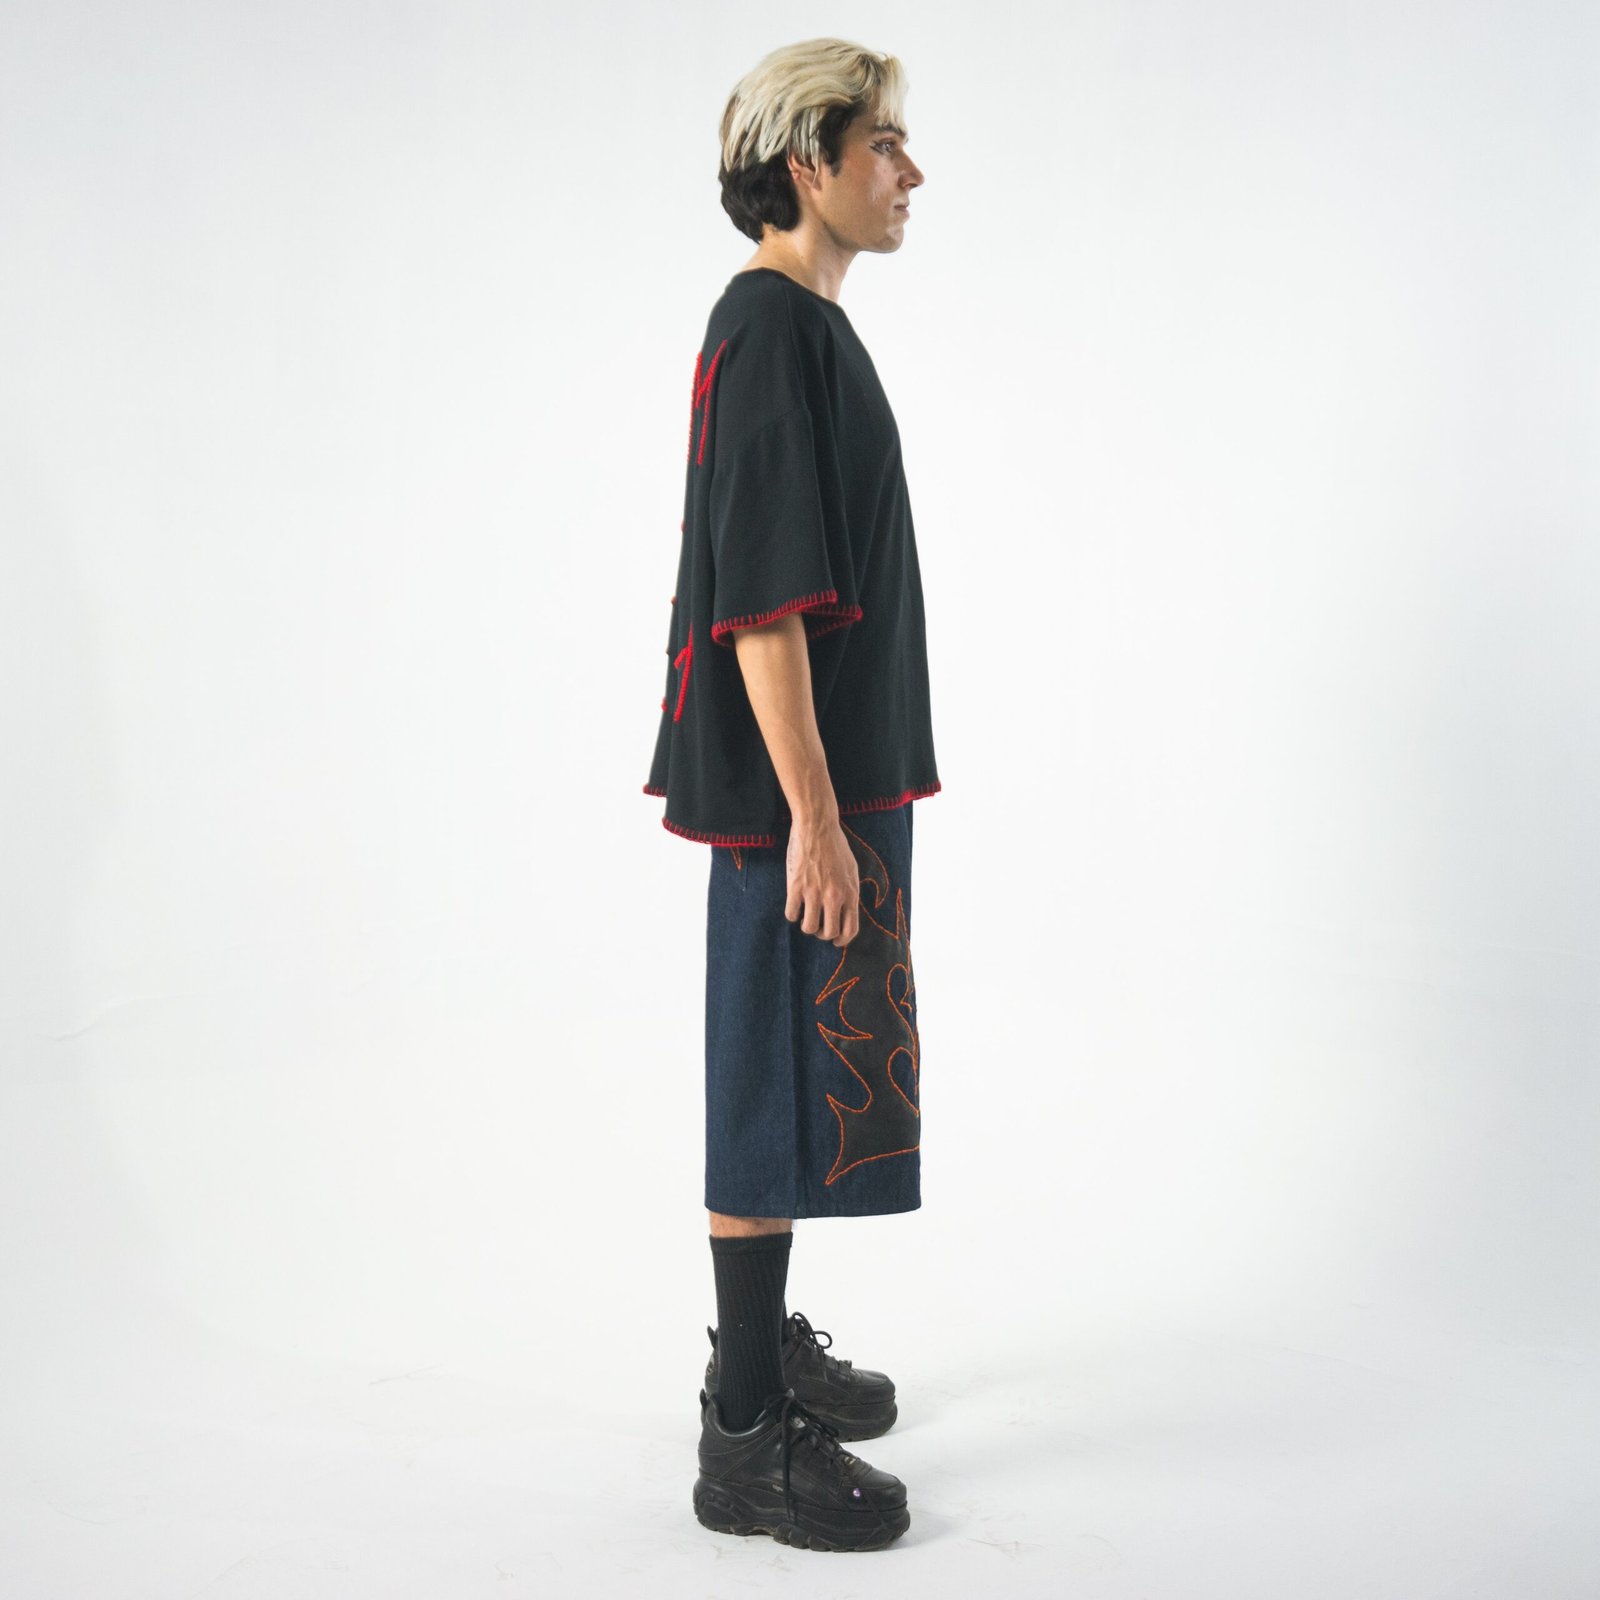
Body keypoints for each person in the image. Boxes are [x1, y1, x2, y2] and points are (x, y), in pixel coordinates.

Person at [642, 37, 939, 1552]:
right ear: (807, 160)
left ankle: (758, 1355)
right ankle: (746, 1439)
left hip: (832, 784)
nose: (911, 171)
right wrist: (814, 819)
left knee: (808, 1075)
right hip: (790, 803)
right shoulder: (767, 328)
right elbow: (761, 603)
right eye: (883, 143)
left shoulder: (804, 327)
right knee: (767, 1082)